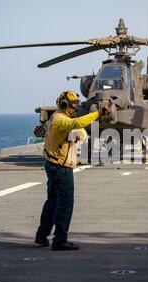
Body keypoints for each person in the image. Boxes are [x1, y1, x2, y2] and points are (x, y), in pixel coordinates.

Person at [35, 91, 110, 251]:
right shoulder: (60, 121)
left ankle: (41, 236)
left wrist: (77, 134)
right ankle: (60, 240)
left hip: (54, 165)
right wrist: (97, 113)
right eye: (73, 105)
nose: (75, 108)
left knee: (52, 202)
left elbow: (81, 131)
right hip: (62, 168)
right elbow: (78, 124)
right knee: (65, 202)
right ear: (64, 105)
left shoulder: (58, 118)